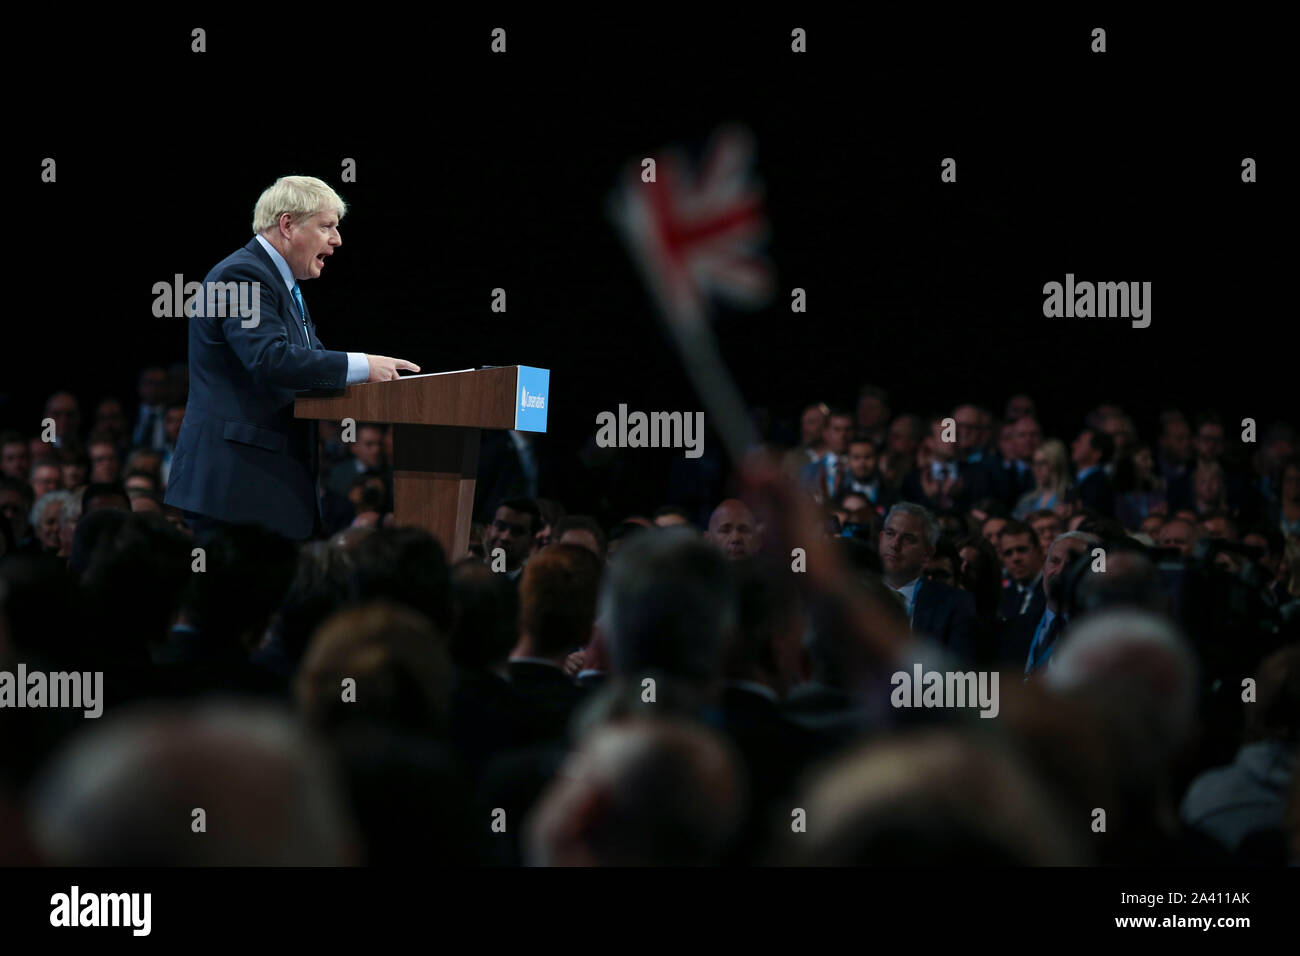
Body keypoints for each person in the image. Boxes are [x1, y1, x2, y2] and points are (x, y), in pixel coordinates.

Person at [163, 175, 420, 541]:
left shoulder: (281, 283)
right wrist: (363, 365)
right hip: (237, 491)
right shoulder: (242, 275)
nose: (337, 239)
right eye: (327, 226)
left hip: (261, 490)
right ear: (287, 225)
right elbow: (270, 359)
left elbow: (306, 362)